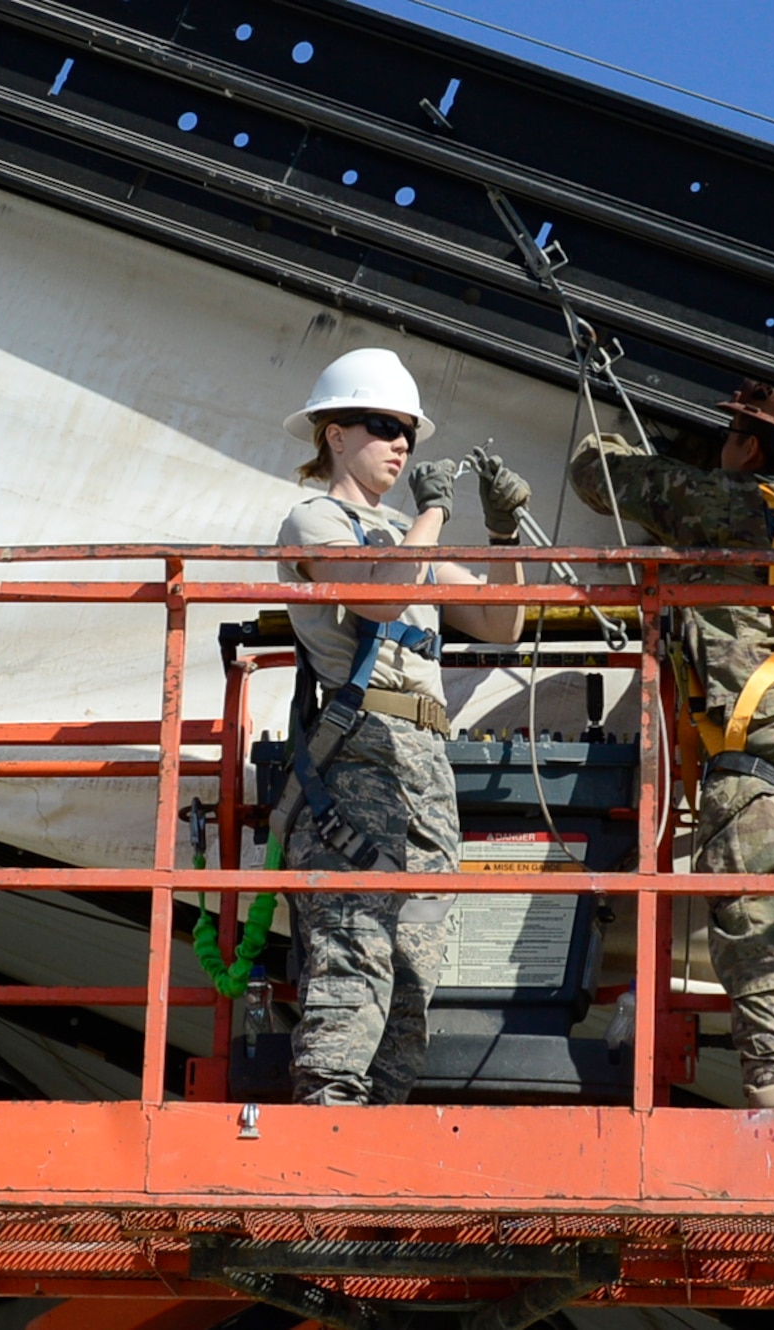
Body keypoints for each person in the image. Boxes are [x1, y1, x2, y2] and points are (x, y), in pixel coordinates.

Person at [569, 382, 774, 1111]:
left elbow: (599, 474)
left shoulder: (718, 504)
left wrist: (637, 446)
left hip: (758, 753)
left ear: (747, 446)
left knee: (764, 926)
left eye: (731, 437)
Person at [274, 347, 530, 1106]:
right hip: (359, 758)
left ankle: (373, 1136)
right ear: (334, 435)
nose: (401, 445)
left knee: (415, 969)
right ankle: (326, 1125)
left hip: (423, 760)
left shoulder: (403, 532)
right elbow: (380, 601)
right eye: (384, 426)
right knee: (354, 947)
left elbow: (499, 622)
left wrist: (504, 536)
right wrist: (435, 513)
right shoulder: (317, 518)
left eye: (408, 433)